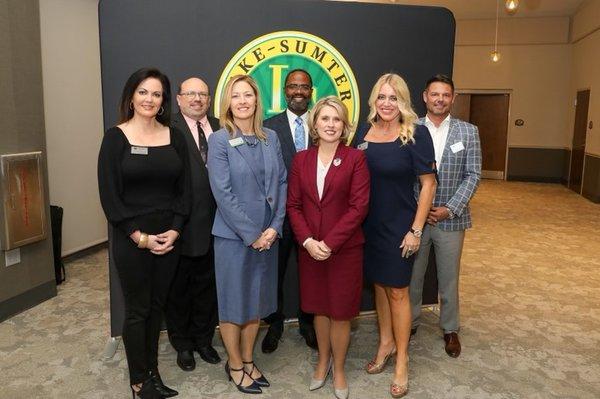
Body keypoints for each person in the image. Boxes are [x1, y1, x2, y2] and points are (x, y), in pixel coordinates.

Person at [98, 67, 191, 399]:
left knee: (157, 306)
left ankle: (152, 372)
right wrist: (139, 236)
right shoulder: (115, 138)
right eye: (143, 92)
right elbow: (110, 197)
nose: (150, 99)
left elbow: (186, 191)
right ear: (131, 96)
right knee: (138, 310)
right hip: (132, 240)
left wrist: (176, 231)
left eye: (156, 94)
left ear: (163, 101)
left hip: (169, 238)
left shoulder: (174, 136)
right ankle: (139, 381)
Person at [352, 73, 437, 398]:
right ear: (374, 100)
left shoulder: (416, 133)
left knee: (398, 292)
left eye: (394, 98)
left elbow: (429, 184)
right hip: (368, 225)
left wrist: (416, 230)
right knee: (380, 287)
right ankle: (385, 343)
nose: (387, 104)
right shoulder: (364, 131)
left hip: (401, 226)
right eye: (382, 97)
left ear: (403, 102)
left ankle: (402, 359)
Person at [207, 74, 287, 394]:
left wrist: (274, 227)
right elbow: (222, 193)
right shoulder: (219, 140)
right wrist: (252, 233)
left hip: (268, 238)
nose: (242, 101)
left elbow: (282, 183)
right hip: (233, 238)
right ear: (228, 102)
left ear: (257, 100)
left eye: (248, 95)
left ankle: (250, 360)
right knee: (232, 304)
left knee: (256, 303)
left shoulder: (271, 137)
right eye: (236, 95)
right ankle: (235, 364)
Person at [287, 96, 370, 399]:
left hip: (344, 250)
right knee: (319, 309)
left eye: (337, 119)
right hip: (310, 250)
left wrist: (330, 243)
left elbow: (358, 207)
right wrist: (308, 241)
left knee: (341, 312)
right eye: (325, 119)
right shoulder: (301, 160)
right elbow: (293, 205)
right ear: (315, 124)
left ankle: (340, 369)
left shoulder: (355, 159)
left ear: (345, 125)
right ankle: (322, 362)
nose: (331, 125)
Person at [409, 74, 481, 358]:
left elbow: (473, 175)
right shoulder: (409, 129)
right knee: (413, 275)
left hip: (452, 218)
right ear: (425, 96)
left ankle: (450, 328)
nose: (440, 99)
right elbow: (403, 174)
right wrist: (421, 208)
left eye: (446, 95)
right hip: (416, 218)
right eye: (435, 94)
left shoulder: (468, 132)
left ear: (453, 98)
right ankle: (410, 321)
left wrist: (451, 207)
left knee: (449, 277)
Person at [165, 77, 221, 372]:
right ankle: (183, 344)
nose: (197, 99)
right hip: (182, 224)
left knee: (208, 287)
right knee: (179, 290)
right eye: (191, 94)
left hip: (219, 226)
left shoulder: (222, 127)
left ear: (209, 100)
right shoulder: (166, 128)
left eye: (202, 94)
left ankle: (204, 339)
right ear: (178, 98)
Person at [262, 68, 317, 353]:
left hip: (314, 218)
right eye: (293, 86)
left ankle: (308, 323)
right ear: (285, 91)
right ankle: (275, 323)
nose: (298, 91)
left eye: (304, 87)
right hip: (279, 217)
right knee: (275, 273)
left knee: (310, 273)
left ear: (311, 92)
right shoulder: (268, 128)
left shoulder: (323, 125)